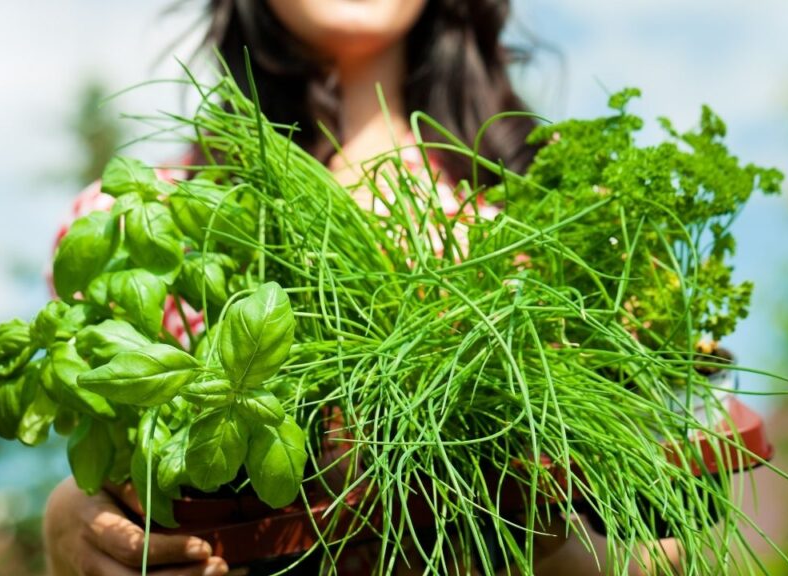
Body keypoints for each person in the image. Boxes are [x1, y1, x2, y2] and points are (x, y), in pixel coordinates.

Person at [43, 1, 681, 574]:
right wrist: (69, 515)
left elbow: (669, 522)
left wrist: (577, 559)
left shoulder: (570, 207)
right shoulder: (140, 221)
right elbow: (127, 457)